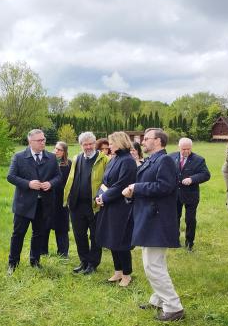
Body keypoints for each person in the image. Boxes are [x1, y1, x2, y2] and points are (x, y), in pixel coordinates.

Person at [122, 128, 184, 322]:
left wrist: (136, 188)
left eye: (146, 139)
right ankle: (158, 300)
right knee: (156, 263)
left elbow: (165, 186)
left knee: (152, 266)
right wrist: (134, 192)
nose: (142, 142)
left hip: (157, 220)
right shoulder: (152, 159)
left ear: (158, 141)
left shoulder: (164, 160)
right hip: (150, 218)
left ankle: (173, 307)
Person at [6, 129, 61, 274]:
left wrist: (50, 184)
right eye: (39, 140)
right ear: (30, 141)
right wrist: (28, 184)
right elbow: (11, 176)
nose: (43, 142)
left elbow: (58, 176)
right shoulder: (19, 157)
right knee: (18, 234)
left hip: (43, 204)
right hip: (23, 204)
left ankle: (35, 261)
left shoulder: (51, 157)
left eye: (43, 139)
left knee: (39, 234)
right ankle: (13, 264)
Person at [95, 131, 137, 287]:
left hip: (121, 207)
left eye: (111, 144)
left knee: (121, 241)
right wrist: (99, 196)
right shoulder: (114, 159)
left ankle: (127, 274)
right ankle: (118, 271)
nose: (109, 147)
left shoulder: (128, 161)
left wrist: (104, 198)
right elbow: (105, 182)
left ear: (120, 143)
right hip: (109, 205)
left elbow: (121, 185)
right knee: (112, 239)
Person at [64, 132, 109, 274]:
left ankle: (93, 264)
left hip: (95, 205)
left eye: (91, 144)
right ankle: (83, 261)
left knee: (95, 236)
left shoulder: (104, 160)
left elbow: (107, 182)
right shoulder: (76, 158)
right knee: (79, 235)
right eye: (85, 144)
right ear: (81, 145)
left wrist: (102, 197)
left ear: (95, 144)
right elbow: (72, 178)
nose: (88, 147)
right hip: (76, 204)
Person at [169, 138, 210, 251]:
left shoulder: (199, 160)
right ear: (178, 147)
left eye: (188, 149)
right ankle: (174, 240)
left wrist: (192, 179)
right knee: (174, 218)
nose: (186, 151)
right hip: (175, 194)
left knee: (190, 219)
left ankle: (189, 242)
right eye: (183, 149)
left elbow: (206, 174)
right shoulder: (171, 157)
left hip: (191, 195)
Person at [41, 141, 72, 257]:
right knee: (45, 225)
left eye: (59, 150)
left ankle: (63, 253)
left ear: (64, 152)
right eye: (55, 149)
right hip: (48, 198)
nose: (56, 151)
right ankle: (43, 251)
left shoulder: (69, 164)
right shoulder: (48, 162)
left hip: (62, 199)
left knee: (62, 227)